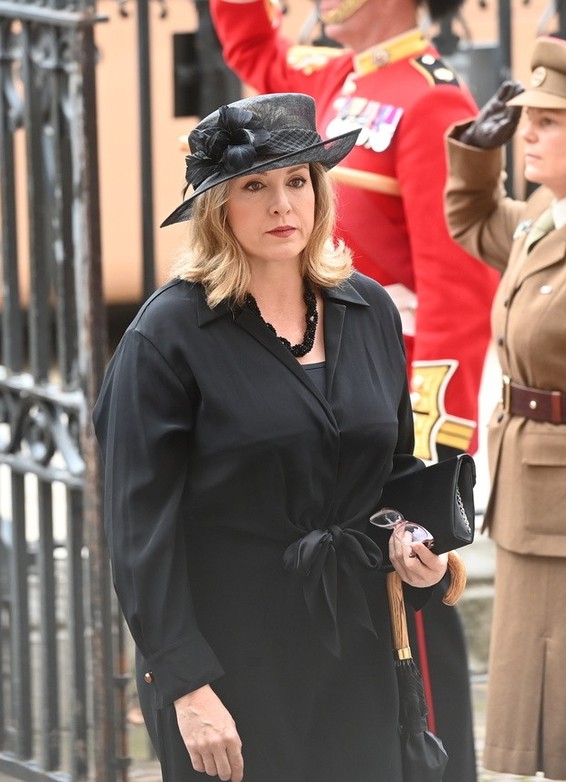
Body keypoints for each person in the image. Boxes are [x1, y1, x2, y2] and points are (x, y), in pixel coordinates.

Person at [93, 91, 451, 782]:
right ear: (217, 206)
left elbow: (395, 467)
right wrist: (186, 685)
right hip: (229, 663)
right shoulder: (166, 338)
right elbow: (140, 533)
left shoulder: (367, 307)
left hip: (360, 648)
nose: (282, 205)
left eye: (297, 182)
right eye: (254, 186)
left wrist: (420, 545)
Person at [209, 0, 501, 778]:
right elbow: (254, 48)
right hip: (320, 405)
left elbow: (456, 293)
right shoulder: (339, 76)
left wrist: (430, 462)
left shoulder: (431, 99)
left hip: (385, 411)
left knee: (413, 659)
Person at [444, 36, 566, 781]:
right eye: (528, 118)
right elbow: (472, 220)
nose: (529, 132)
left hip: (560, 505)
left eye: (549, 122)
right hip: (530, 493)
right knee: (542, 703)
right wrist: (475, 152)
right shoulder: (543, 221)